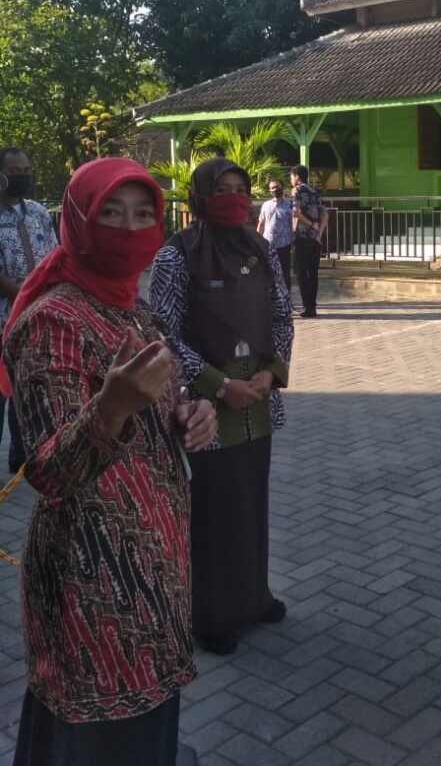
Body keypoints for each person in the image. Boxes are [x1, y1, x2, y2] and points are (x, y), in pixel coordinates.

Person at [0, 158, 217, 766]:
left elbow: (166, 403)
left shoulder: (135, 310)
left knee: (146, 728)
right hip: (89, 576)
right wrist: (111, 407)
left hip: (155, 559)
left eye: (144, 215)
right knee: (92, 735)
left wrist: (190, 414)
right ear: (77, 221)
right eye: (111, 214)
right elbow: (47, 471)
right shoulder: (51, 322)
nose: (130, 230)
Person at [149, 157, 293, 656]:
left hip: (257, 399)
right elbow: (162, 333)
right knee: (212, 510)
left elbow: (282, 315)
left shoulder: (261, 248)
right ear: (200, 197)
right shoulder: (177, 255)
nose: (234, 197)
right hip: (204, 408)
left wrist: (272, 372)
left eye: (240, 188)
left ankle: (254, 596)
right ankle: (210, 614)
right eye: (222, 189)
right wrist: (216, 384)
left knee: (251, 501)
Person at [0, 147, 58, 472]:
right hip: (4, 321)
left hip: (37, 320)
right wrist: (26, 295)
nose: (22, 175)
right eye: (14, 170)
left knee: (28, 391)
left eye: (26, 169)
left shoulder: (37, 211)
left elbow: (55, 254)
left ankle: (23, 465)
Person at [290, 164, 328, 319]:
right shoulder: (314, 191)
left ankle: (307, 306)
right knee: (313, 272)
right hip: (314, 239)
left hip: (302, 236)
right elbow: (325, 215)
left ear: (297, 177)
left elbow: (296, 212)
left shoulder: (297, 190)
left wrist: (310, 224)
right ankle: (312, 306)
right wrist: (319, 232)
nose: (291, 180)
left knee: (300, 272)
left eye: (292, 176)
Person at [257, 177, 293, 289]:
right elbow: (261, 224)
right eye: (272, 188)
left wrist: (293, 243)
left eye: (277, 187)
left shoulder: (290, 204)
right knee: (268, 273)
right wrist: (257, 241)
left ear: (282, 187)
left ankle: (286, 297)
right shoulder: (266, 205)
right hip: (268, 244)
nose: (274, 189)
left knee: (284, 273)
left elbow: (293, 224)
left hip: (284, 245)